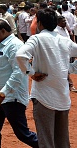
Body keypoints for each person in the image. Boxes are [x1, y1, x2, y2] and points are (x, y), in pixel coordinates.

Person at [16, 8, 77, 148]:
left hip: (43, 96)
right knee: (62, 141)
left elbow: (20, 55)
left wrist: (30, 73)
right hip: (62, 97)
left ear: (40, 24)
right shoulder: (64, 41)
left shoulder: (37, 39)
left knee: (46, 140)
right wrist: (70, 68)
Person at [0, 19, 38, 148]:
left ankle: (47, 145)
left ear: (3, 31)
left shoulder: (15, 46)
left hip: (11, 97)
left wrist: (3, 93)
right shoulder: (4, 44)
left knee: (22, 134)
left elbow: (19, 72)